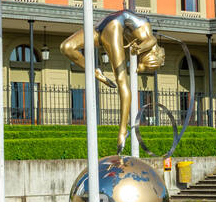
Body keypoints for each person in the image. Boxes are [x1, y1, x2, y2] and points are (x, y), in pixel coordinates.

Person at [61, 9, 165, 152]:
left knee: (122, 80)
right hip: (108, 25)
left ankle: (122, 131)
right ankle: (96, 73)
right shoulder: (146, 30)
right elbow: (151, 40)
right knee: (66, 47)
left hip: (108, 27)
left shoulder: (138, 33)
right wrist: (139, 49)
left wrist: (138, 51)